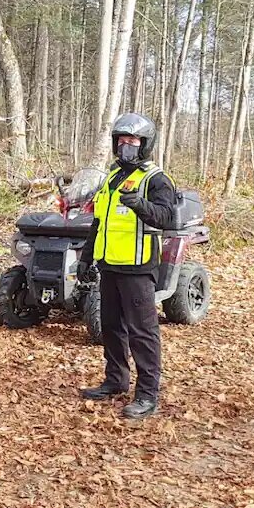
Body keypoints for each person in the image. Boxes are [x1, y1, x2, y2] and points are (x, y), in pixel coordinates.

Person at [76, 113, 177, 419]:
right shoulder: (111, 176)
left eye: (133, 142)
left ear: (145, 145)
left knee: (142, 332)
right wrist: (86, 258)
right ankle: (115, 379)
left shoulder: (156, 179)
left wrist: (139, 204)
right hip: (109, 265)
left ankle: (147, 394)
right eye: (122, 141)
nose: (126, 147)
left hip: (138, 267)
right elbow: (100, 221)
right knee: (111, 327)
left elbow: (168, 218)